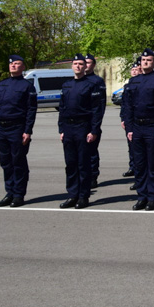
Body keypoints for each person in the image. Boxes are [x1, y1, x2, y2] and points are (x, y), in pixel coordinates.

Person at [122, 49, 154, 211]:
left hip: (153, 127)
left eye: (149, 60)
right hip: (136, 128)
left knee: (153, 165)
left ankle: (152, 198)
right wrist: (129, 128)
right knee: (139, 164)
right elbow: (128, 106)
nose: (146, 62)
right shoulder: (133, 82)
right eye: (143, 60)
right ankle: (141, 196)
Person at [0, 55, 38, 207]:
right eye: (12, 63)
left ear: (23, 67)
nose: (13, 66)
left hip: (17, 129)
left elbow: (31, 110)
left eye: (17, 64)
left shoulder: (27, 86)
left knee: (18, 162)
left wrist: (27, 130)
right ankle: (9, 192)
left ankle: (18, 195)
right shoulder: (2, 85)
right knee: (6, 163)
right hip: (1, 129)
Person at [58, 54, 103, 209]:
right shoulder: (67, 85)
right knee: (70, 164)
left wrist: (94, 130)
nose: (78, 66)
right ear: (72, 66)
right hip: (68, 129)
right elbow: (62, 109)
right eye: (75, 63)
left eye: (81, 64)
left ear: (85, 67)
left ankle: (83, 196)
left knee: (83, 164)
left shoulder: (91, 85)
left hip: (83, 128)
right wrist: (61, 129)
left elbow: (97, 110)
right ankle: (72, 195)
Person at [83, 54, 106, 188]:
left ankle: (93, 176)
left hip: (92, 123)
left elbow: (101, 105)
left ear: (93, 65)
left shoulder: (97, 81)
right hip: (79, 123)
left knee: (91, 151)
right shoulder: (77, 80)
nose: (86, 65)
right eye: (83, 62)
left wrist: (96, 124)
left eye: (89, 62)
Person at [120, 60, 141, 180]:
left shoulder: (141, 84)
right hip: (129, 120)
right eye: (132, 70)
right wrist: (123, 119)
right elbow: (124, 105)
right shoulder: (127, 86)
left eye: (136, 69)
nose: (134, 71)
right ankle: (132, 167)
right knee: (131, 146)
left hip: (140, 120)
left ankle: (139, 170)